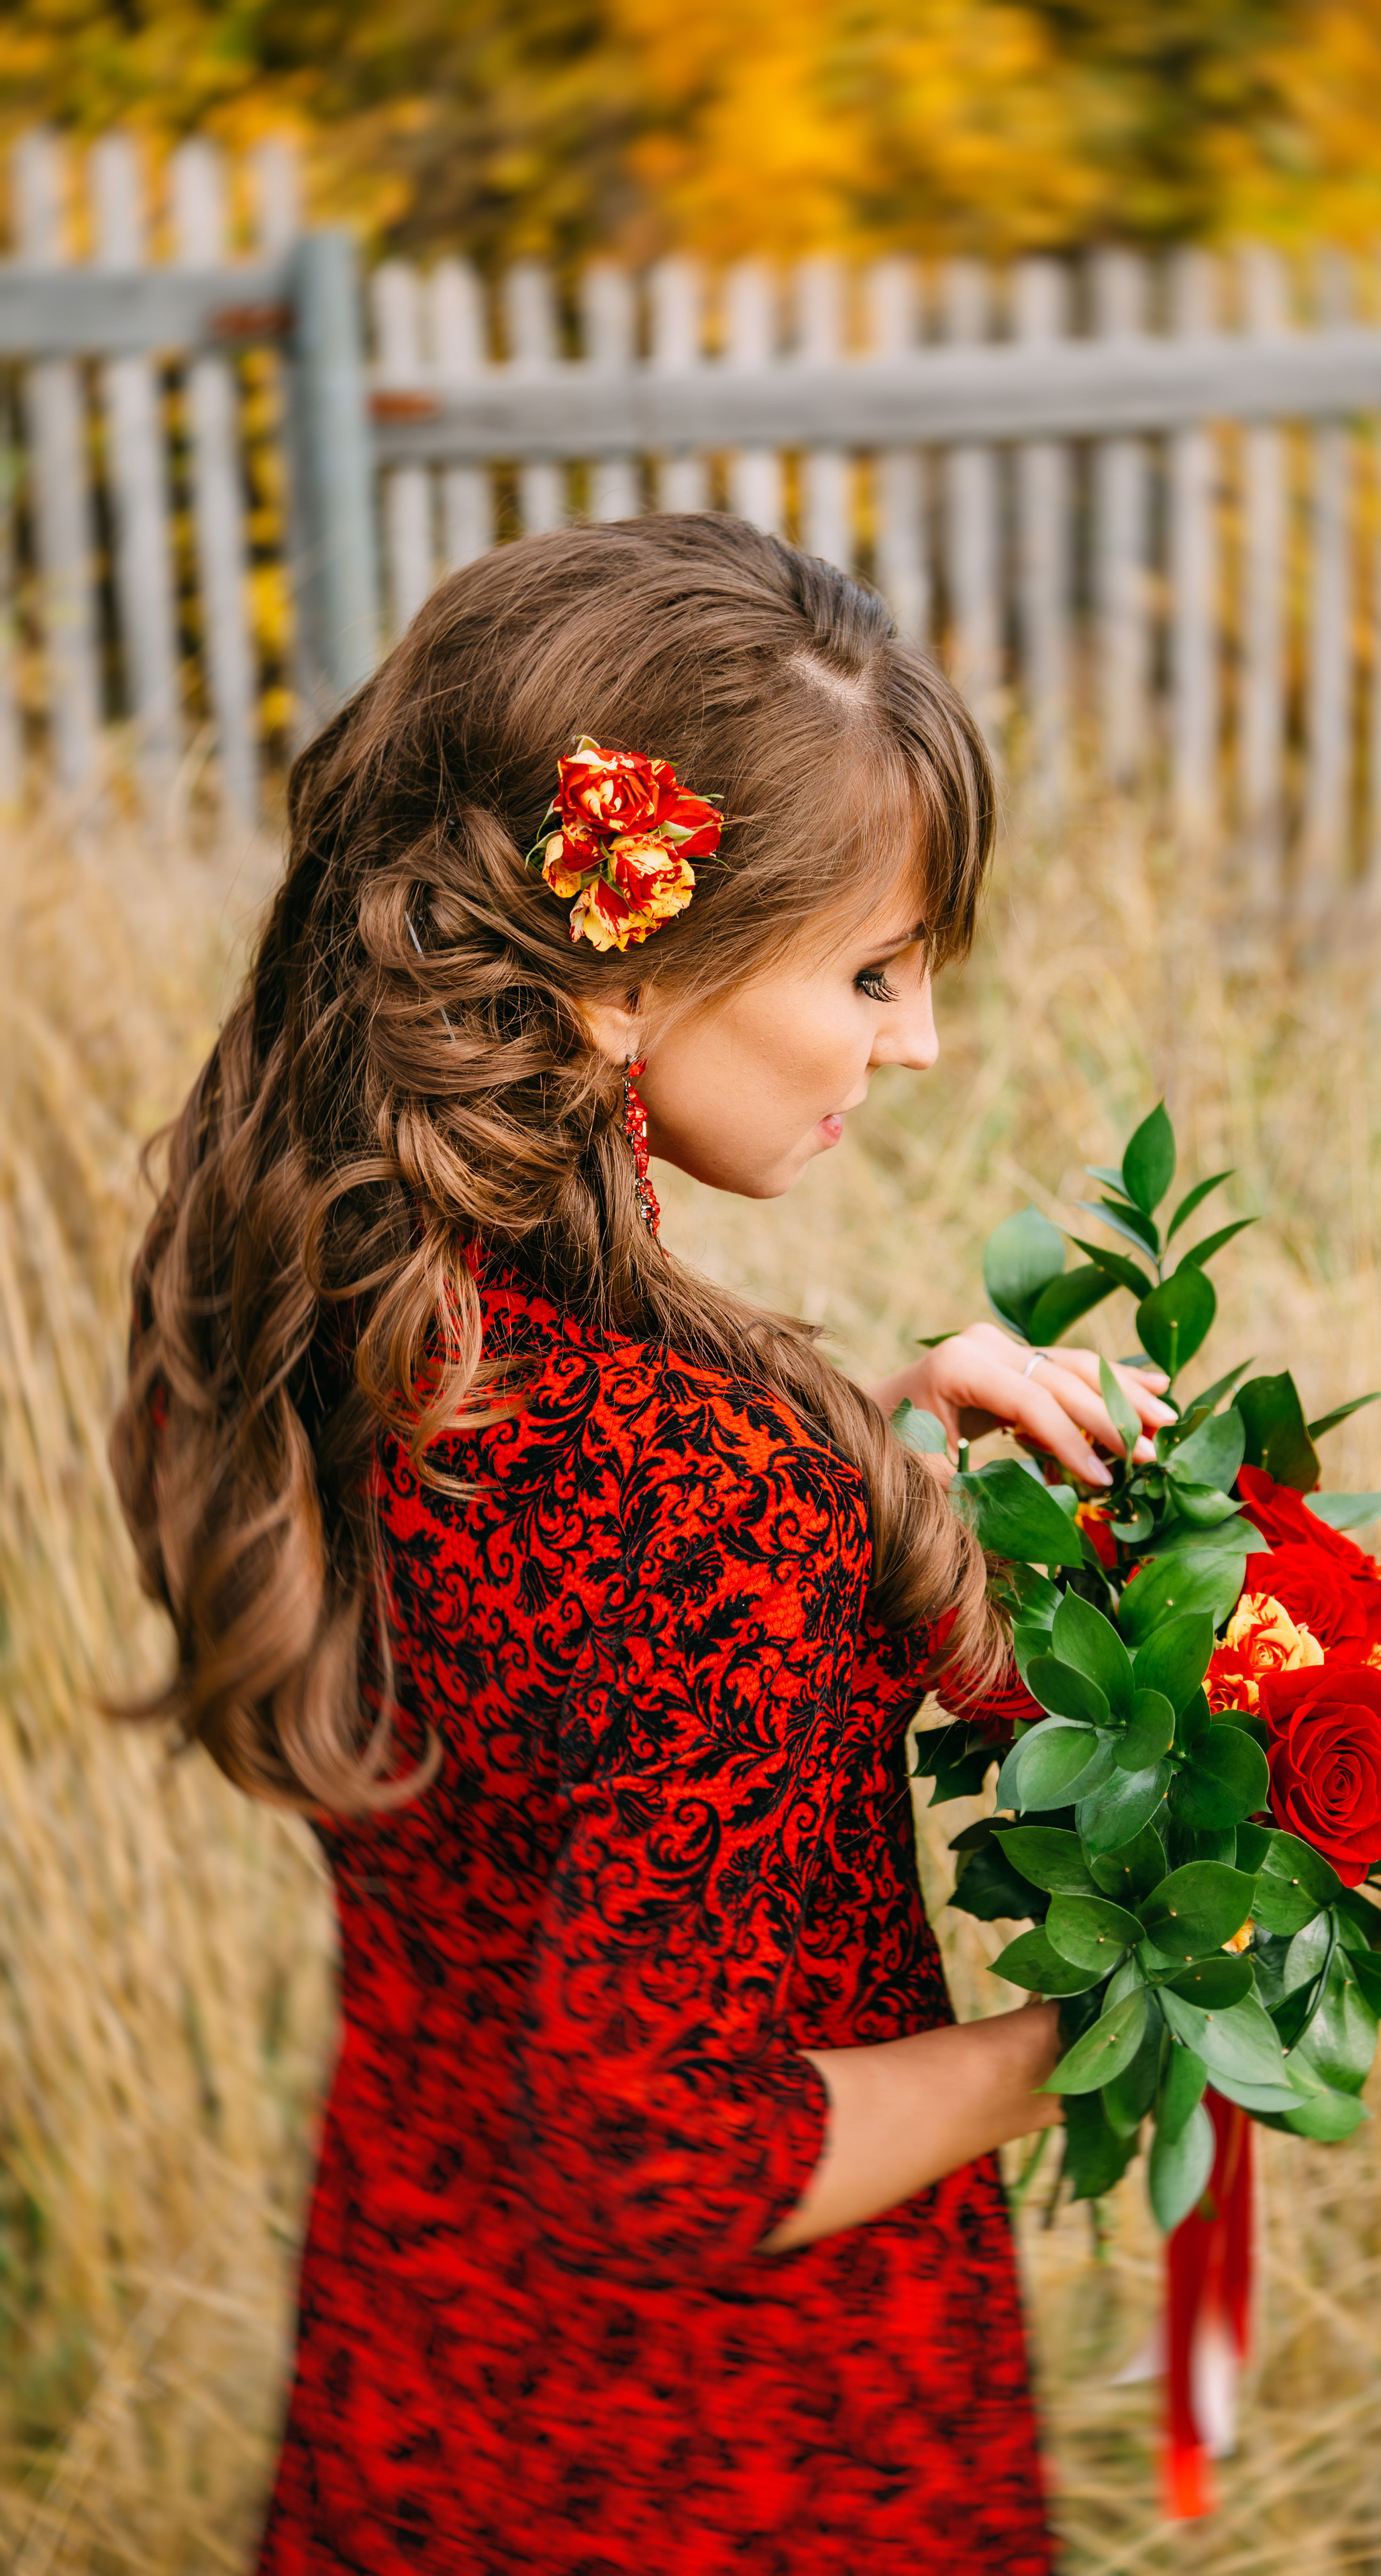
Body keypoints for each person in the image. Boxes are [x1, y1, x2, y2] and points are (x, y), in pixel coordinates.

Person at [111, 515, 1172, 2575]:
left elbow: (583, 1709)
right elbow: (668, 2156)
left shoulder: (350, 1301)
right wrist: (1117, 2023)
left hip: (428, 2359)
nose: (918, 1040)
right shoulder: (705, 1488)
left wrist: (878, 1453)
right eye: (870, 972)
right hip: (740, 2449)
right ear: (616, 975)